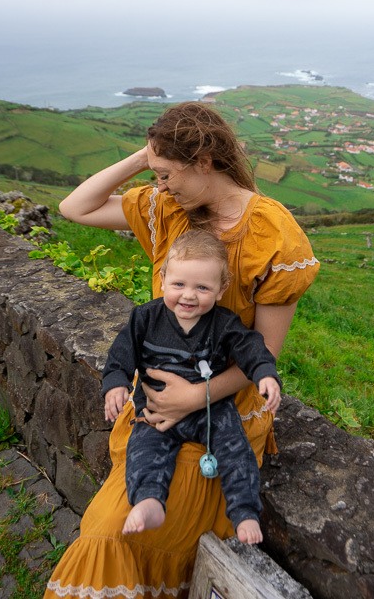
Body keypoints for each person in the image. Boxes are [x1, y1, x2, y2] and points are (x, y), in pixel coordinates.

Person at [45, 101, 319, 599]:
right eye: (157, 173)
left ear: (206, 160)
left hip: (222, 419)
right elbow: (75, 208)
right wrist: (145, 157)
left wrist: (192, 400)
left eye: (168, 173)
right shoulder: (166, 209)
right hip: (153, 414)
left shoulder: (273, 237)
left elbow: (263, 355)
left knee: (163, 542)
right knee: (107, 532)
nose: (161, 184)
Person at [103, 229, 282, 544]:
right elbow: (121, 355)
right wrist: (116, 385)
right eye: (179, 284)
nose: (188, 295)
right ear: (162, 278)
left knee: (234, 446)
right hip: (156, 408)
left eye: (202, 287)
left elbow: (252, 348)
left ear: (221, 288)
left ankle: (244, 511)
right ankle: (149, 501)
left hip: (207, 408)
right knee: (143, 448)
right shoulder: (145, 317)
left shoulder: (223, 324)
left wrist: (265, 373)